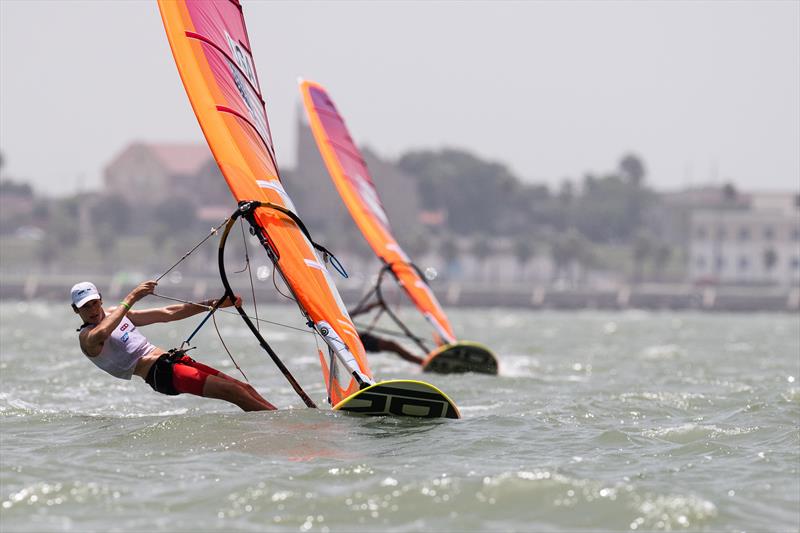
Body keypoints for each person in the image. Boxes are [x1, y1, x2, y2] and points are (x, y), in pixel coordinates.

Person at [71, 280, 275, 412]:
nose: (92, 310)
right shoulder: (87, 337)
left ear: (100, 301)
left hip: (173, 361)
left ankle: (279, 419)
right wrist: (132, 297)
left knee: (244, 388)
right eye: (85, 307)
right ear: (75, 310)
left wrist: (213, 303)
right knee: (233, 392)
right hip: (161, 374)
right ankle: (281, 430)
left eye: (94, 303)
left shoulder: (117, 313)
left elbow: (169, 313)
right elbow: (103, 333)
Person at [350, 301, 424, 365]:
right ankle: (421, 362)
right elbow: (355, 312)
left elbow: (359, 311)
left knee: (392, 346)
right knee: (392, 345)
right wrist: (374, 305)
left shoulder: (342, 313)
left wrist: (375, 304)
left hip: (361, 339)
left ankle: (421, 362)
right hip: (361, 342)